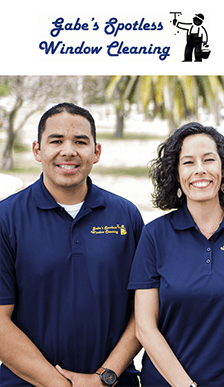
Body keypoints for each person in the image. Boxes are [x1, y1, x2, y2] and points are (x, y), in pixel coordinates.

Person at [0, 102, 144, 387]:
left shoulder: (126, 216)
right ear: (37, 151)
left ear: (96, 152)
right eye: (56, 141)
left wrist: (104, 378)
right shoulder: (6, 218)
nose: (68, 151)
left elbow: (144, 312)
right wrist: (59, 384)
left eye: (80, 141)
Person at [128, 123, 224, 387]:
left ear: (223, 169)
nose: (200, 169)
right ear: (176, 174)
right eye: (188, 162)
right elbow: (145, 327)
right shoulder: (155, 235)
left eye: (209, 159)